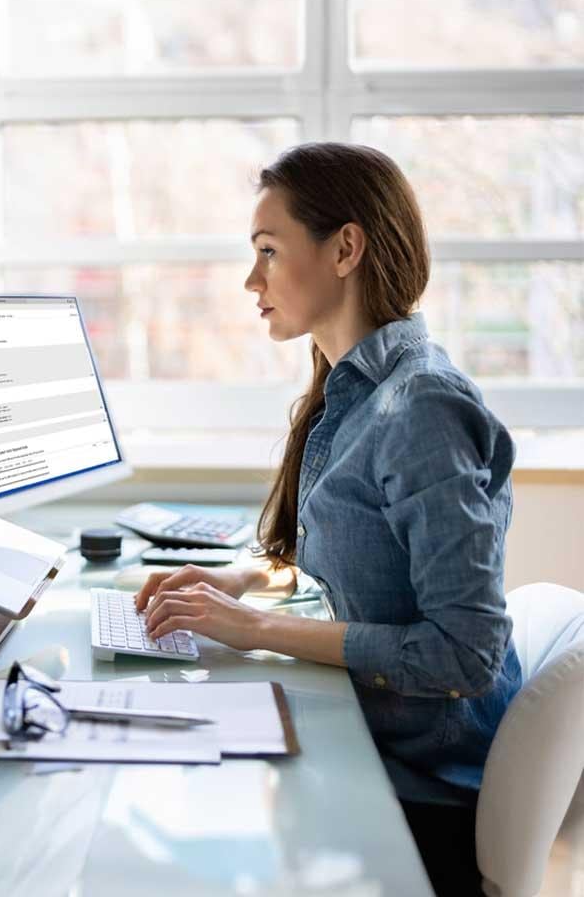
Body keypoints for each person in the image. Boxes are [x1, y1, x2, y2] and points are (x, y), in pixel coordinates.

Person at [135, 141, 521, 897]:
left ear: (345, 248)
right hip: (374, 754)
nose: (252, 281)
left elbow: (466, 654)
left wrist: (256, 629)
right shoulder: (352, 394)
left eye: (269, 252)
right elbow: (358, 566)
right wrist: (242, 580)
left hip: (419, 796)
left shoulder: (423, 409)